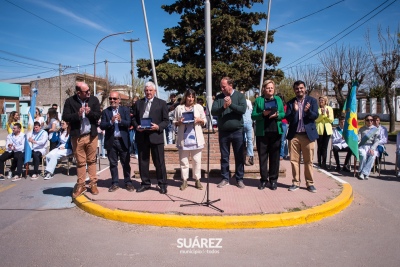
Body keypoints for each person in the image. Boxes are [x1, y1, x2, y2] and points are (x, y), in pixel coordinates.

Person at [62, 81, 101, 198]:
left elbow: (98, 115)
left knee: (92, 160)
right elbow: (65, 116)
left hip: (91, 136)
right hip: (77, 137)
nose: (89, 93)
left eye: (89, 90)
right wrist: (77, 115)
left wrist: (89, 113)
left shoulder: (94, 100)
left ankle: (93, 184)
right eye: (86, 91)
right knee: (80, 162)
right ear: (78, 93)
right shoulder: (70, 101)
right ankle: (81, 185)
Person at [132, 81, 169, 194]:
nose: (148, 92)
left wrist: (158, 127)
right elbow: (133, 119)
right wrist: (136, 126)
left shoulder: (162, 103)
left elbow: (166, 121)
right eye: (146, 90)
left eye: (150, 90)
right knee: (143, 162)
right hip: (142, 136)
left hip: (156, 136)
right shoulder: (138, 103)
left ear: (154, 91)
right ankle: (145, 183)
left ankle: (162, 184)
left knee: (159, 162)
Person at [211, 77, 247, 189]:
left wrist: (231, 105)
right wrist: (223, 107)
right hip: (224, 132)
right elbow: (213, 111)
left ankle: (239, 179)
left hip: (237, 131)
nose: (221, 88)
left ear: (230, 85)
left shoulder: (240, 96)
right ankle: (225, 178)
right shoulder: (218, 97)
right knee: (224, 156)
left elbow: (243, 110)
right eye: (221, 86)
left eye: (224, 86)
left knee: (239, 156)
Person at [285, 80, 319, 193]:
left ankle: (310, 183)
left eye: (301, 88)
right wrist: (294, 111)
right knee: (294, 161)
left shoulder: (312, 101)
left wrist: (308, 111)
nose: (299, 90)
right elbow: (288, 118)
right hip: (294, 135)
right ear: (294, 90)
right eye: (297, 88)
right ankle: (295, 182)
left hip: (307, 136)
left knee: (308, 161)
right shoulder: (290, 103)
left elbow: (315, 116)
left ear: (305, 88)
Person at [252, 80, 285, 190]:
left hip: (276, 131)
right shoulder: (259, 100)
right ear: (264, 89)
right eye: (268, 88)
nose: (270, 89)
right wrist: (263, 114)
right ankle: (263, 180)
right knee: (263, 157)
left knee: (275, 157)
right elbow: (253, 115)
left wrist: (277, 115)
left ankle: (273, 180)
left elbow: (283, 113)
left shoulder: (278, 99)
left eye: (271, 87)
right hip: (262, 132)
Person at [100, 91, 134, 192]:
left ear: (119, 100)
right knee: (113, 164)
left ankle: (128, 182)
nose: (112, 100)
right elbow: (102, 125)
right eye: (110, 98)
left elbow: (129, 123)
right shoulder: (106, 111)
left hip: (123, 141)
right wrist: (110, 121)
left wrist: (120, 121)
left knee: (125, 163)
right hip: (111, 141)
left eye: (114, 99)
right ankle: (115, 183)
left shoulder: (125, 110)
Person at [173, 89, 206, 191]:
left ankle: (197, 180)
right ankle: (184, 180)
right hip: (184, 139)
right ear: (185, 97)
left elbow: (205, 120)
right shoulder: (179, 108)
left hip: (196, 139)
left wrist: (199, 120)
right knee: (184, 161)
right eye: (189, 96)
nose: (191, 99)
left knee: (196, 161)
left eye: (192, 97)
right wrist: (179, 122)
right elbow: (174, 122)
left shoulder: (199, 107)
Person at [358, 114, 380, 180]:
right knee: (363, 155)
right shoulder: (361, 129)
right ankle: (363, 172)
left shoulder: (376, 130)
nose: (369, 121)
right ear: (365, 121)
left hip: (371, 146)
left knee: (372, 156)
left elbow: (377, 141)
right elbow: (359, 139)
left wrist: (372, 148)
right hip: (363, 146)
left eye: (371, 120)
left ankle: (364, 173)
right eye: (368, 120)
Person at [315, 96, 334, 169]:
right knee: (319, 146)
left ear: (325, 101)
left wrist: (328, 115)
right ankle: (319, 162)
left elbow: (331, 120)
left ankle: (324, 163)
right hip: (320, 130)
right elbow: (316, 120)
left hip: (327, 130)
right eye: (320, 100)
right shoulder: (317, 109)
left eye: (322, 100)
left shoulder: (329, 108)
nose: (321, 101)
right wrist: (322, 115)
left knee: (325, 147)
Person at [240, 90, 254, 166]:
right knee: (248, 141)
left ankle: (246, 157)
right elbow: (251, 111)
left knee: (245, 141)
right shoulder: (248, 102)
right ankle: (249, 156)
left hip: (245, 123)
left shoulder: (239, 102)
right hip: (246, 122)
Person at [276, 93, 288, 160]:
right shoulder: (275, 105)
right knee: (279, 139)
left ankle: (282, 154)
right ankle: (282, 153)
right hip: (278, 123)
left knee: (282, 140)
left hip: (283, 123)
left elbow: (286, 115)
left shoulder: (285, 106)